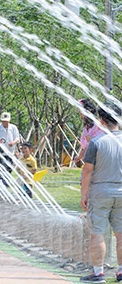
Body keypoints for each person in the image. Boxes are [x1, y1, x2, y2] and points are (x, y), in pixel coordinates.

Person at [79, 104, 122, 284]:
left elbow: (87, 171)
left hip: (100, 192)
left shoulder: (96, 142)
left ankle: (98, 273)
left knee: (97, 233)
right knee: (120, 233)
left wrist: (84, 195)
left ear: (102, 121)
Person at [74, 99, 104, 167]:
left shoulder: (99, 125)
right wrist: (80, 157)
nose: (79, 112)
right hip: (92, 161)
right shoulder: (86, 127)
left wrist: (93, 139)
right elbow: (88, 147)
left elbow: (105, 140)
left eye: (80, 110)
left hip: (101, 162)